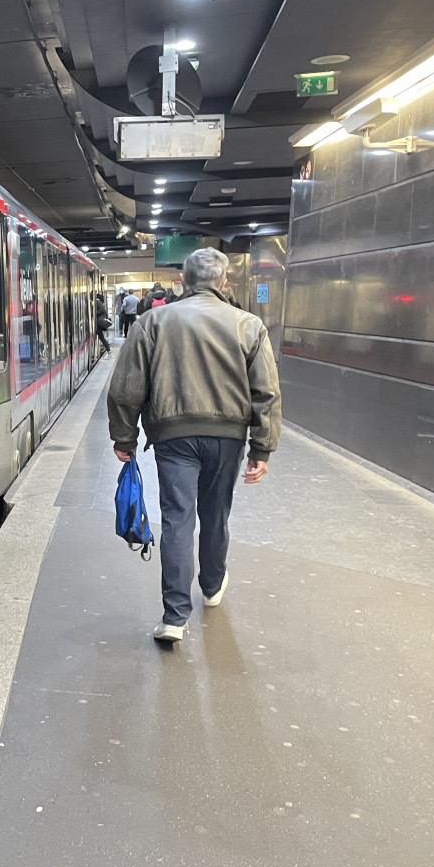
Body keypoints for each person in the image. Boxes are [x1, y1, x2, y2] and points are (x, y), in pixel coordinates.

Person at [106, 247, 281, 643]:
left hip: (173, 436)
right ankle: (213, 585)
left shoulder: (152, 322)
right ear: (223, 284)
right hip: (228, 437)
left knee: (178, 519)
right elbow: (266, 393)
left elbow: (125, 387)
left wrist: (124, 436)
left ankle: (174, 617)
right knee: (215, 514)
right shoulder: (249, 325)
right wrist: (261, 449)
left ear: (182, 281)